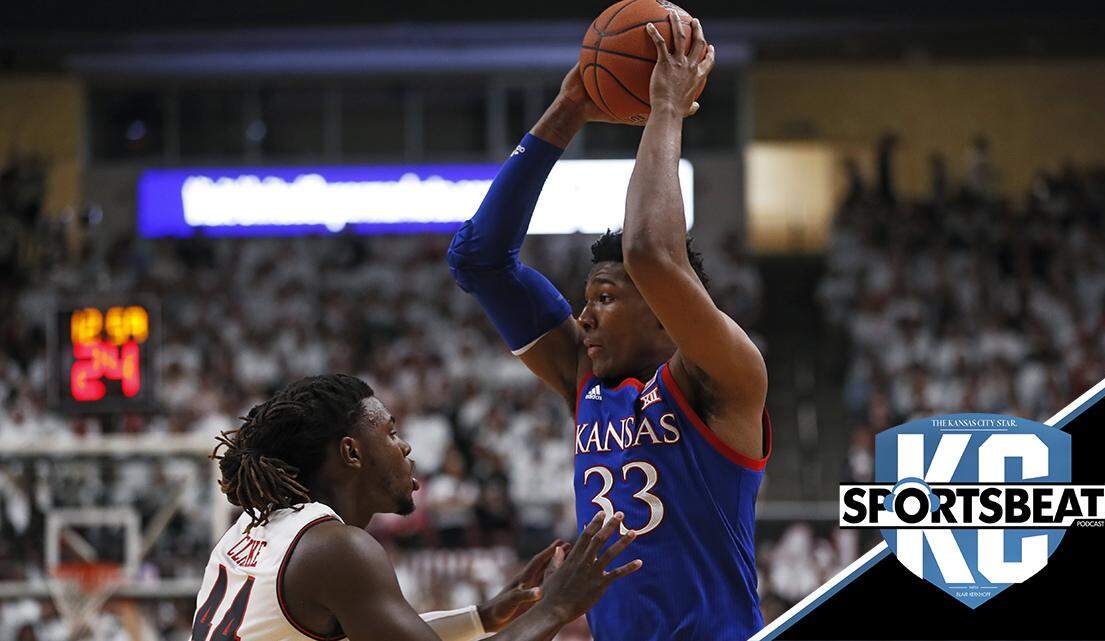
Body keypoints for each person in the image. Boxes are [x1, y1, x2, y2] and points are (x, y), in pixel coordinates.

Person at [448, 14, 771, 641]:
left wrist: (665, 109)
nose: (583, 316)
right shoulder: (585, 381)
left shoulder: (725, 378)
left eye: (603, 297)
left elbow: (652, 253)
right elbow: (478, 261)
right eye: (585, 299)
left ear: (663, 309)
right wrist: (569, 106)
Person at [195, 374, 641, 641]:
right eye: (390, 432)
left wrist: (484, 616)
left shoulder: (252, 530)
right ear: (352, 454)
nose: (406, 446)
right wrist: (558, 607)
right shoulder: (336, 549)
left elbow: (380, 631)